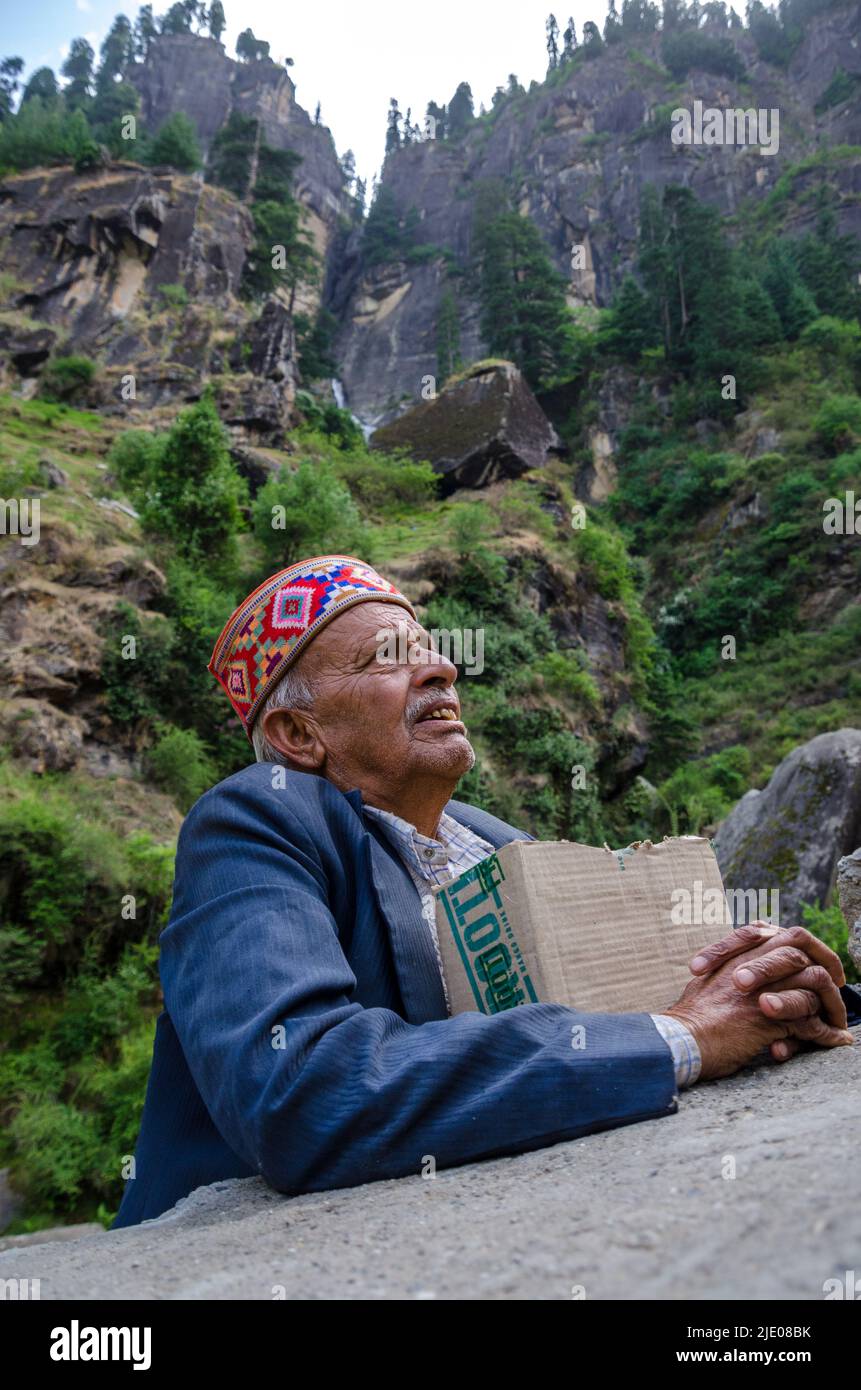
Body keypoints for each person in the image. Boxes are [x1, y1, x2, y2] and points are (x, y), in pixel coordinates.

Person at [112, 555, 852, 1228]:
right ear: (299, 736)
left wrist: (759, 991)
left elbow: (626, 1005)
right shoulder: (252, 822)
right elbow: (301, 1093)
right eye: (388, 659)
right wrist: (686, 1036)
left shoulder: (491, 841)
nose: (439, 671)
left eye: (430, 649)